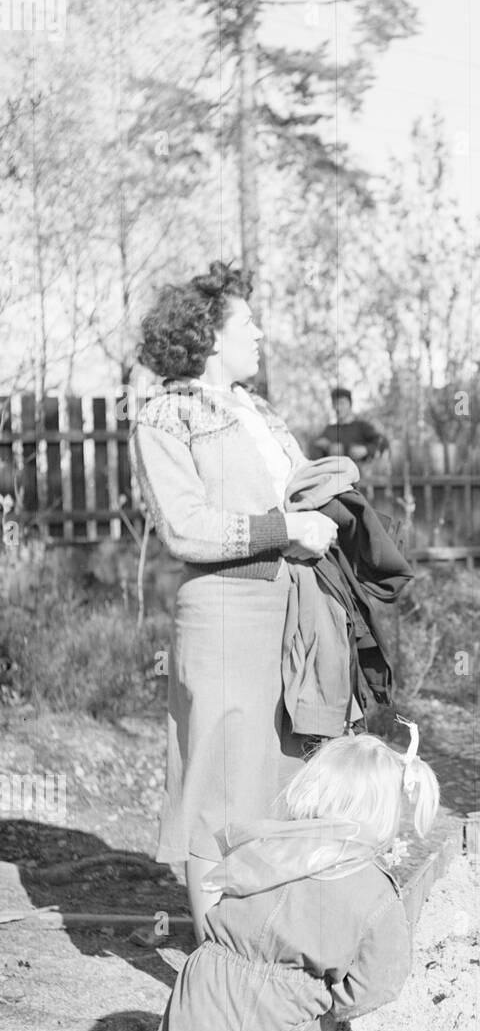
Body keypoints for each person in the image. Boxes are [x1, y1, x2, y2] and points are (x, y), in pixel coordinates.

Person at [131, 262, 341, 939]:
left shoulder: (262, 412)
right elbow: (185, 526)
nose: (260, 333)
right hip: (224, 614)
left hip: (287, 613)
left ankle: (260, 942)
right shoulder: (166, 412)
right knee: (218, 794)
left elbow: (298, 498)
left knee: (276, 782)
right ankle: (216, 958)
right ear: (209, 334)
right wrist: (286, 528)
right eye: (247, 322)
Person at [134, 727, 439, 1031]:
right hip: (282, 1008)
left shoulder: (266, 844)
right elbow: (380, 981)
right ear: (385, 815)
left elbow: (219, 894)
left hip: (205, 986)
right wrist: (334, 1003)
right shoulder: (374, 890)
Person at [310, 388, 389, 464]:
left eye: (342, 403)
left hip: (360, 474)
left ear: (350, 404)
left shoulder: (361, 426)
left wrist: (366, 450)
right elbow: (315, 446)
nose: (338, 408)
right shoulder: (329, 430)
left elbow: (383, 442)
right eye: (335, 404)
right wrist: (327, 447)